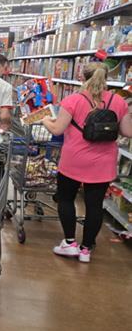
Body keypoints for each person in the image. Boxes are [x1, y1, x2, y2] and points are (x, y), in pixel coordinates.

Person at [41, 63, 132, 263]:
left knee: (66, 199)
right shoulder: (118, 101)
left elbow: (57, 130)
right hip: (103, 163)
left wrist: (45, 120)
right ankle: (86, 250)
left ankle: (70, 243)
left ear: (82, 78)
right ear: (106, 77)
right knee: (95, 206)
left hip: (74, 160)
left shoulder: (73, 100)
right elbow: (128, 132)